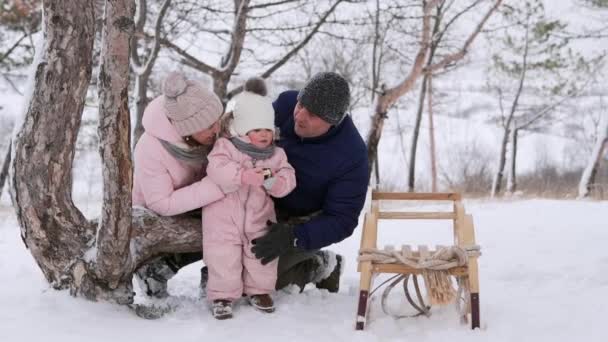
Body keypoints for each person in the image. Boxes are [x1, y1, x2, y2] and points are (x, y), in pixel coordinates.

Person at [251, 72, 370, 293]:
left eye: (313, 114)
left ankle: (322, 265)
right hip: (262, 197)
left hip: (302, 220)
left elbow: (342, 219)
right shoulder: (286, 105)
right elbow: (247, 135)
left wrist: (294, 237)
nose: (300, 115)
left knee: (257, 280)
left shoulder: (351, 156)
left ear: (333, 121)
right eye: (301, 104)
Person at [202, 81, 296, 319]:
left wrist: (272, 181)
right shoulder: (226, 147)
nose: (264, 134)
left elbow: (288, 178)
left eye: (267, 129)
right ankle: (222, 295)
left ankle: (260, 290)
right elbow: (217, 169)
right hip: (223, 218)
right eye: (256, 130)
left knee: (261, 255)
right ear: (241, 129)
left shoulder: (276, 155)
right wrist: (242, 176)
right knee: (223, 256)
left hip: (259, 216)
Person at [132, 71, 225, 298]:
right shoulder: (151, 149)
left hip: (196, 200)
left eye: (217, 120)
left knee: (235, 218)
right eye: (208, 126)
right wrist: (217, 186)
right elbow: (160, 203)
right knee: (215, 227)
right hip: (157, 215)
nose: (216, 129)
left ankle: (218, 274)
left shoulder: (210, 134)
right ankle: (157, 269)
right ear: (186, 130)